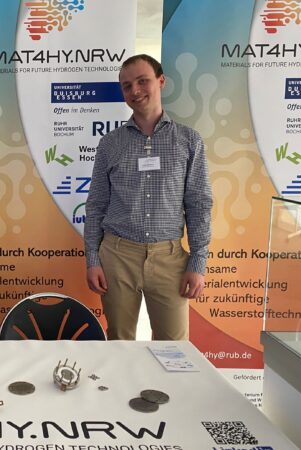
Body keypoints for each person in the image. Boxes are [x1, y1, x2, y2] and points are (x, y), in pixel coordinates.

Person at [84, 54, 212, 340]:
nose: (135, 91)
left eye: (143, 81)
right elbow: (95, 206)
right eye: (127, 86)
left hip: (169, 258)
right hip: (117, 257)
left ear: (161, 81)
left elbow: (199, 204)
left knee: (174, 348)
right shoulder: (110, 143)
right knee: (119, 342)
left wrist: (198, 263)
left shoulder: (189, 141)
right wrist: (92, 258)